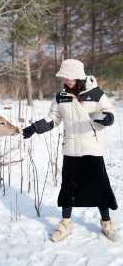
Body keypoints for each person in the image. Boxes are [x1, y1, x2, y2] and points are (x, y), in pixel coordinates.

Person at [23, 59, 118, 242]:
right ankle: (65, 225)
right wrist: (34, 128)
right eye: (64, 79)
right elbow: (53, 119)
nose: (66, 82)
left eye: (69, 79)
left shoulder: (95, 93)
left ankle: (107, 223)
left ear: (79, 77)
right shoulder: (61, 96)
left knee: (99, 186)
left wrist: (107, 119)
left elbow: (109, 111)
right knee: (68, 188)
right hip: (71, 149)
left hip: (92, 147)